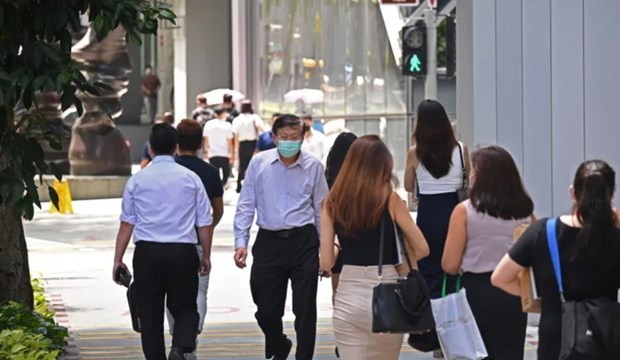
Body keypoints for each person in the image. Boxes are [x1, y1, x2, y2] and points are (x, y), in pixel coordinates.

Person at [492, 159, 620, 360]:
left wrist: (542, 301)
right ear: (611, 196)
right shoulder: (615, 237)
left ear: (572, 192)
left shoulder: (544, 232)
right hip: (606, 337)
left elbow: (500, 277)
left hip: (557, 338)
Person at [320, 135, 429, 360]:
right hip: (386, 290)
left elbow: (326, 263)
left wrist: (339, 246)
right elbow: (422, 248)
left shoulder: (332, 202)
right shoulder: (390, 200)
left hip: (348, 293)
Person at [112, 123, 214, 360]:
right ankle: (179, 347)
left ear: (150, 149)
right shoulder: (191, 179)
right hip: (183, 251)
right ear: (176, 148)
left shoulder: (137, 180)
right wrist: (205, 255)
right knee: (186, 306)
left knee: (150, 313)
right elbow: (204, 222)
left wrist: (118, 259)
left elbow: (127, 223)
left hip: (148, 253)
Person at [233, 114, 329, 360]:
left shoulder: (314, 166)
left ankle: (303, 356)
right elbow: (246, 205)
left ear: (303, 137)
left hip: (303, 241)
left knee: (305, 309)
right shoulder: (259, 164)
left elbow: (322, 210)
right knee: (265, 308)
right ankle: (278, 341)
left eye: (294, 138)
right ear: (274, 138)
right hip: (269, 241)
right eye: (284, 138)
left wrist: (325, 250)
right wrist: (241, 242)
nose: (289, 142)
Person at [441, 145, 534, 360]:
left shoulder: (464, 211)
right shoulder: (527, 214)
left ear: (482, 177)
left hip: (477, 294)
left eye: (474, 170)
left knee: (476, 354)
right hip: (514, 294)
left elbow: (450, 264)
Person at [164, 119, 224, 359]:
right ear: (201, 143)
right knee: (199, 291)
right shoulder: (209, 172)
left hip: (171, 239)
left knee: (171, 292)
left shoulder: (170, 169)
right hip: (197, 243)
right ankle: (192, 333)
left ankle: (177, 335)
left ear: (177, 142)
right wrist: (205, 229)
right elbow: (217, 210)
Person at [404, 100, 470, 297]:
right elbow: (466, 182)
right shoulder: (460, 149)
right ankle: (454, 313)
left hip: (428, 213)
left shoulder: (415, 152)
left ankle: (431, 318)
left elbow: (408, 185)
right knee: (454, 263)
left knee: (428, 266)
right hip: (454, 211)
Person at [323, 132, 358, 300]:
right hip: (360, 240)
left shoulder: (329, 181)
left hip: (337, 238)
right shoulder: (364, 181)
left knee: (338, 290)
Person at [231, 100, 264, 193]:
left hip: (242, 143)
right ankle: (254, 185)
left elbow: (236, 135)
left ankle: (239, 185)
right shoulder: (254, 117)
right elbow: (261, 128)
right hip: (253, 143)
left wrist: (236, 149)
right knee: (253, 164)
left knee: (242, 164)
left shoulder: (237, 119)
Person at [202, 108, 234, 187]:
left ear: (215, 114)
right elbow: (230, 141)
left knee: (214, 173)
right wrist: (231, 153)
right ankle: (221, 186)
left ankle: (217, 187)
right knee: (226, 174)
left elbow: (206, 139)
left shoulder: (208, 124)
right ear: (223, 114)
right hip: (224, 153)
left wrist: (206, 150)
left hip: (212, 153)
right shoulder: (227, 125)